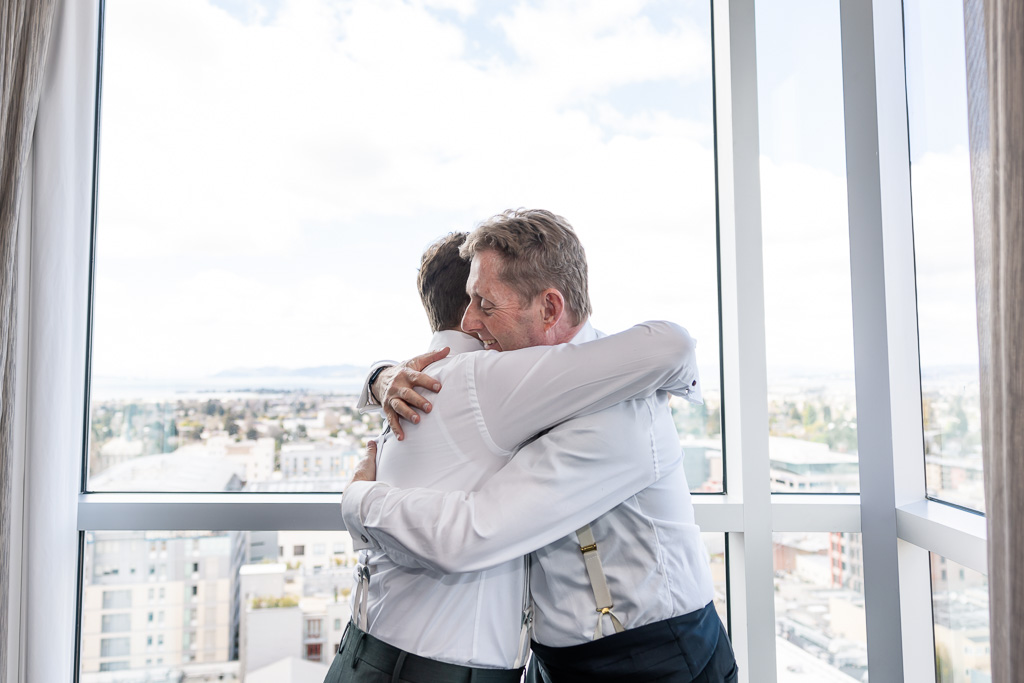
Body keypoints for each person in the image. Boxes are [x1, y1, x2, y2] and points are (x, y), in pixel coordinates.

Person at [344, 209, 738, 682]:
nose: (469, 322)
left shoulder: (621, 412)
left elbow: (475, 532)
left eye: (485, 305)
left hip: (650, 659)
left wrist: (360, 501)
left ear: (549, 309)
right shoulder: (518, 379)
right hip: (554, 662)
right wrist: (381, 377)